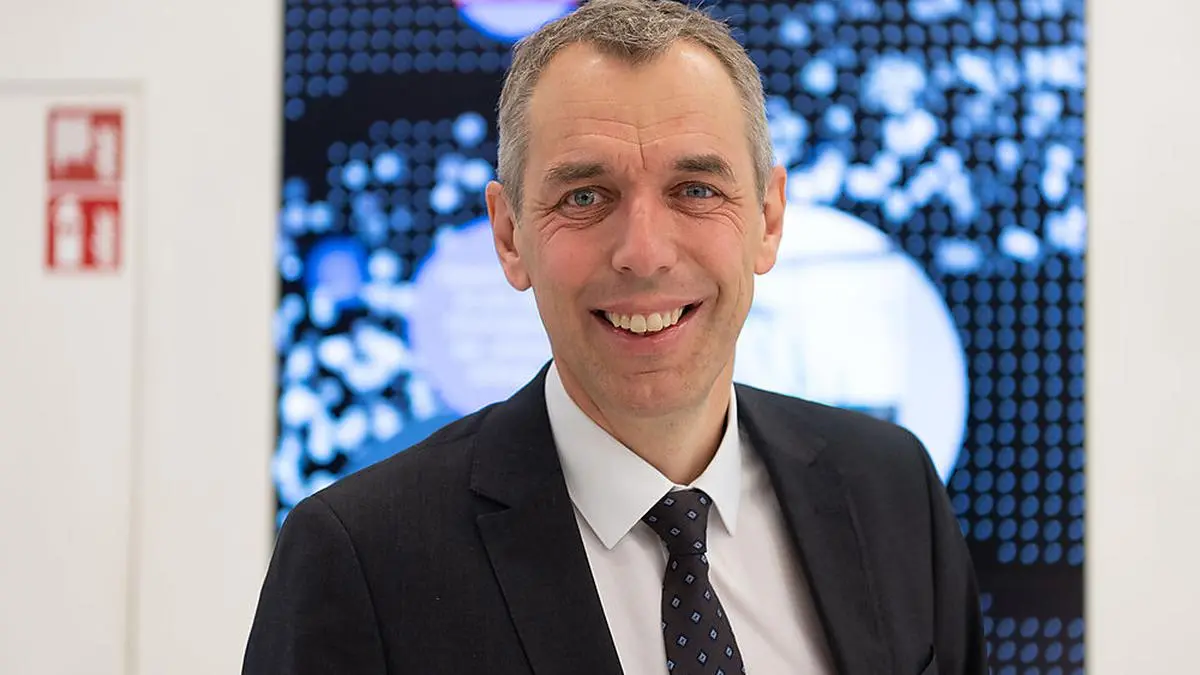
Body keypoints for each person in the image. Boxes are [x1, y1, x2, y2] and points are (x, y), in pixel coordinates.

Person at [242, 1, 986, 673]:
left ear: (768, 218)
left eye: (696, 190)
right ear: (509, 236)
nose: (644, 251)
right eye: (585, 196)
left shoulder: (892, 491)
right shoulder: (362, 559)